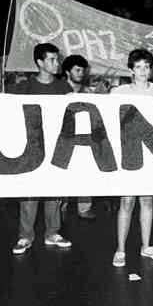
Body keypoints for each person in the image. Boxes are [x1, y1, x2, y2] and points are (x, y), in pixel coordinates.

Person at [9, 43, 73, 255]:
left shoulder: (64, 88)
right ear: (40, 63)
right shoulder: (23, 89)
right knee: (29, 193)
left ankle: (52, 232)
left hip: (56, 145)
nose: (57, 63)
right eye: (52, 60)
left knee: (54, 191)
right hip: (32, 147)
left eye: (57, 59)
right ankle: (25, 235)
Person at [110, 49, 153, 267]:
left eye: (147, 66)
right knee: (127, 200)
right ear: (131, 69)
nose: (143, 71)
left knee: (147, 200)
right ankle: (120, 249)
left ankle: (146, 246)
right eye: (139, 67)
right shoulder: (119, 92)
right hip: (129, 152)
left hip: (151, 153)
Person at [60, 54, 96, 220]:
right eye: (77, 70)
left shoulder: (88, 92)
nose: (81, 73)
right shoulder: (58, 89)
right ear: (68, 71)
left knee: (85, 170)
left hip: (83, 137)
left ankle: (84, 207)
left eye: (83, 70)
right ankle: (61, 205)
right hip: (62, 137)